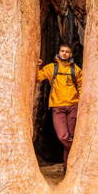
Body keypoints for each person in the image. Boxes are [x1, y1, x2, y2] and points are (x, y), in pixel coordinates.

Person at [36, 43, 82, 171]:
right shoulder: (52, 68)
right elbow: (38, 77)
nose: (64, 53)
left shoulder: (76, 70)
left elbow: (81, 86)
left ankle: (68, 168)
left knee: (71, 136)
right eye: (62, 51)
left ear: (70, 54)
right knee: (63, 136)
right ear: (59, 52)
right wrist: (37, 66)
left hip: (73, 105)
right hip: (58, 107)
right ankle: (79, 152)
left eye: (67, 51)